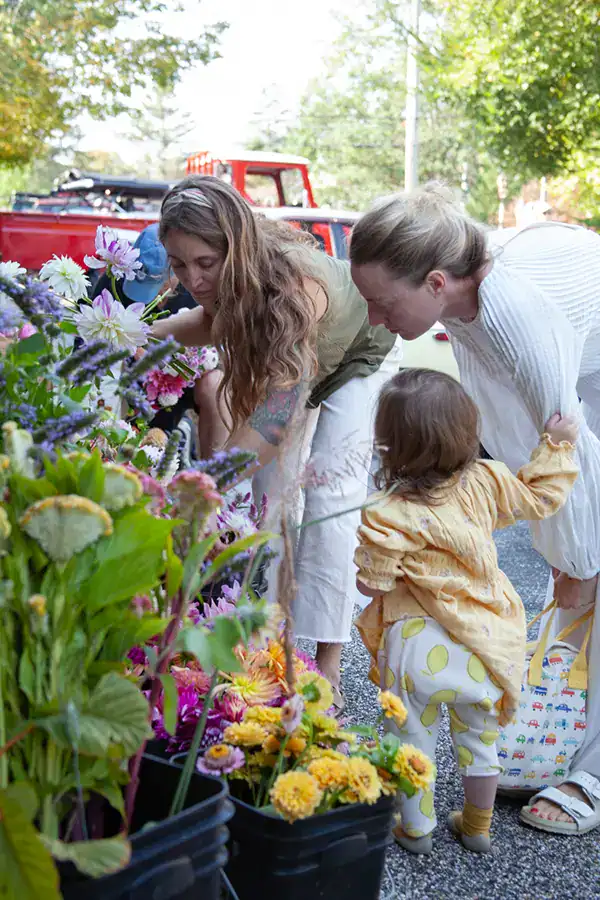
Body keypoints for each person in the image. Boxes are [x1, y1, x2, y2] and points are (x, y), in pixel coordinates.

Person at [349, 184, 600, 834]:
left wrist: (578, 561)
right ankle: (557, 745)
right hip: (575, 409)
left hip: (583, 405)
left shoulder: (514, 312)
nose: (374, 318)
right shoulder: (459, 307)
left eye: (382, 302)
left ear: (435, 282)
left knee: (591, 583)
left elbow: (563, 436)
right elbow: (514, 433)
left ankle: (591, 775)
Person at [151, 174, 402, 707]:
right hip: (296, 365)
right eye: (179, 264)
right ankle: (267, 642)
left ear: (235, 247)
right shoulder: (223, 281)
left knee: (330, 497)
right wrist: (137, 335)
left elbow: (274, 418)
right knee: (267, 498)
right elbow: (207, 322)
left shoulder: (292, 285)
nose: (192, 278)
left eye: (205, 263)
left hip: (358, 349)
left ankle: (328, 662)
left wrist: (206, 485)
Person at [355, 368, 578, 854]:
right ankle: (477, 826)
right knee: (480, 741)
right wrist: (557, 446)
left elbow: (371, 584)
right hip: (481, 639)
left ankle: (416, 829)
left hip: (415, 644)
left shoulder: (387, 510)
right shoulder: (487, 481)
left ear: (389, 443)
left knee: (411, 739)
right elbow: (540, 497)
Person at [91, 223, 226, 458]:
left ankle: (210, 470)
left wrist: (192, 361)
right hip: (129, 377)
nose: (152, 295)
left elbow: (222, 345)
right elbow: (88, 342)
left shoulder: (199, 288)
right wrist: (130, 349)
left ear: (178, 270)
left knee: (216, 387)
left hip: (184, 377)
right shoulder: (114, 282)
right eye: (139, 282)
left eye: (160, 285)